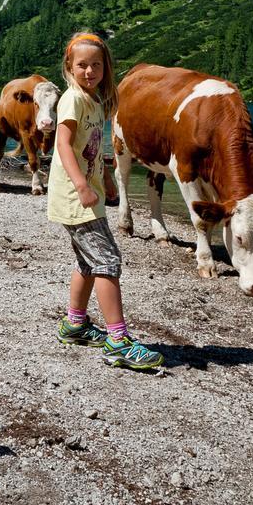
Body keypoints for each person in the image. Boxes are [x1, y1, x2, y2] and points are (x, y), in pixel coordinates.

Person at [48, 32, 163, 371]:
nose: (89, 71)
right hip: (75, 195)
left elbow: (94, 148)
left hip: (87, 193)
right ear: (69, 66)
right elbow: (64, 145)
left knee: (88, 261)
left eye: (96, 65)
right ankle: (117, 341)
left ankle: (75, 324)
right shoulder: (72, 100)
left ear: (105, 68)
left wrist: (108, 178)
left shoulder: (95, 100)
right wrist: (83, 185)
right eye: (82, 65)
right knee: (108, 261)